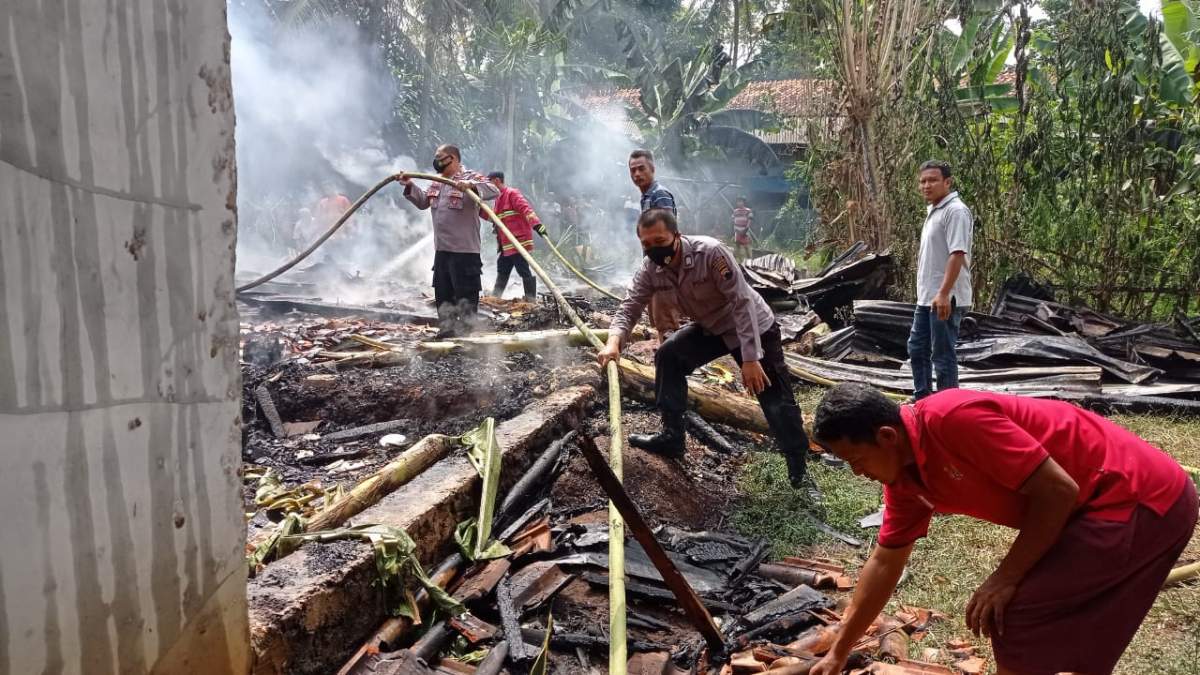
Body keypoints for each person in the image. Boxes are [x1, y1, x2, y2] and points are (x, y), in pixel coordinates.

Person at [808, 384, 1196, 675]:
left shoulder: (952, 418)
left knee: (1016, 611)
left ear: (887, 437)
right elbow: (884, 562)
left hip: (1139, 496)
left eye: (856, 460)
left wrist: (1004, 578)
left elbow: (1058, 490)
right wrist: (839, 650)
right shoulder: (905, 482)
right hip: (1090, 509)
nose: (858, 473)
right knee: (1073, 621)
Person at [598, 209, 809, 487]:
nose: (653, 249)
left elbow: (742, 302)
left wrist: (750, 358)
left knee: (774, 397)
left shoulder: (711, 253)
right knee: (669, 355)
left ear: (676, 235)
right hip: (712, 327)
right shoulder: (650, 270)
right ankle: (672, 437)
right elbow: (630, 307)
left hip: (753, 326)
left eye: (659, 240)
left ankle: (799, 470)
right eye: (646, 244)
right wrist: (613, 343)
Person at [398, 145, 499, 337]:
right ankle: (447, 332)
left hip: (465, 252)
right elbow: (422, 203)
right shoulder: (437, 182)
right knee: (443, 293)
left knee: (466, 295)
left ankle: (468, 336)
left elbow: (494, 189)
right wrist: (410, 185)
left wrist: (472, 186)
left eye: (440, 157)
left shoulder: (470, 177)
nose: (436, 161)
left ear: (452, 158)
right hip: (442, 251)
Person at [910, 160, 973, 400]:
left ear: (948, 182)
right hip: (927, 298)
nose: (926, 185)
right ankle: (923, 400)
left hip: (945, 297)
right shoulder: (935, 211)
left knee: (942, 354)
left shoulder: (955, 211)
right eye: (923, 181)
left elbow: (957, 254)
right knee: (917, 348)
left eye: (933, 180)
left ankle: (948, 408)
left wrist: (944, 292)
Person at [483, 171, 547, 302]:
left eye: (489, 182)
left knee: (522, 269)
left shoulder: (512, 193)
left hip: (518, 242)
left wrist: (537, 225)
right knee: (503, 267)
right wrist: (478, 209)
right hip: (506, 244)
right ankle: (496, 297)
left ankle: (530, 300)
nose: (488, 187)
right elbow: (494, 219)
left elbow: (526, 209)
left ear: (496, 181)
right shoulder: (498, 199)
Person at [628, 149, 676, 214]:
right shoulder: (647, 197)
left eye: (641, 169)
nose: (637, 174)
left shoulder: (659, 194)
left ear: (652, 169)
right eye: (633, 170)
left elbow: (665, 224)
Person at [731, 196, 754, 262]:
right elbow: (733, 221)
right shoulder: (735, 211)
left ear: (743, 202)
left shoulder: (748, 211)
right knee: (737, 250)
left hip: (745, 233)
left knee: (747, 249)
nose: (739, 203)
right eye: (738, 201)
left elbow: (749, 221)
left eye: (740, 201)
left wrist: (745, 230)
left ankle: (750, 263)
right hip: (737, 233)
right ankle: (738, 263)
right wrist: (736, 230)